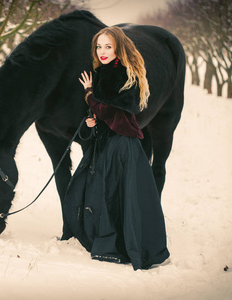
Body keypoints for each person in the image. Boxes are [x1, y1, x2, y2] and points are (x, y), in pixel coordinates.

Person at [63, 26, 170, 270]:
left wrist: (90, 96)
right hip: (110, 142)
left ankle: (122, 246)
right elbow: (107, 112)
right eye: (99, 46)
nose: (102, 51)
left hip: (121, 145)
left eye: (107, 46)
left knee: (119, 196)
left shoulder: (122, 73)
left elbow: (114, 110)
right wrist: (93, 118)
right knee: (109, 194)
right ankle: (108, 242)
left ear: (118, 48)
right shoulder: (104, 72)